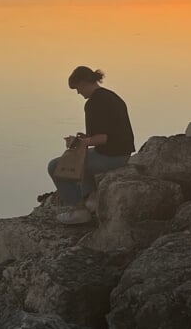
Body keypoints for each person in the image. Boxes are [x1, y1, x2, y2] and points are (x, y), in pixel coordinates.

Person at [46, 66, 136, 225]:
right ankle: (91, 198)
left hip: (112, 157)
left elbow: (102, 138)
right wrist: (84, 141)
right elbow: (108, 133)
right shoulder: (111, 96)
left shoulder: (94, 103)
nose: (78, 93)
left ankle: (78, 210)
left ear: (83, 82)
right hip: (123, 153)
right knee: (85, 156)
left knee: (55, 166)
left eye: (77, 88)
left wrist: (77, 142)